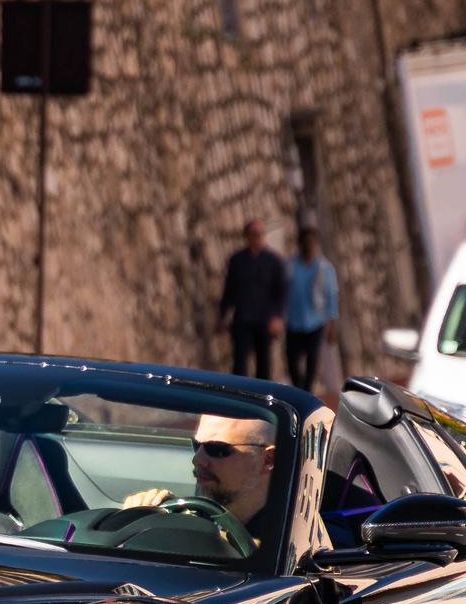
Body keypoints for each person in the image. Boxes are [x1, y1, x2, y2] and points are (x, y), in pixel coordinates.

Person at [119, 413, 280, 531]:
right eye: (197, 445)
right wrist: (135, 523)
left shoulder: (284, 540)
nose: (197, 459)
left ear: (267, 459)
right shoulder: (184, 516)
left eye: (216, 448)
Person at [212, 217, 287, 381]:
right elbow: (229, 291)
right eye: (252, 234)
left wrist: (277, 317)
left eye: (259, 234)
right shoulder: (237, 260)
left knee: (263, 364)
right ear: (246, 236)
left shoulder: (274, 262)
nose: (256, 237)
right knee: (239, 363)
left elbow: (281, 293)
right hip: (242, 319)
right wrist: (222, 316)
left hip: (264, 320)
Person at [284, 225, 338, 393]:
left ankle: (306, 393)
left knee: (312, 363)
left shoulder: (324, 268)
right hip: (293, 322)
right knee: (292, 362)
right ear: (299, 244)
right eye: (305, 242)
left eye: (312, 242)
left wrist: (332, 325)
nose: (308, 246)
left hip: (315, 322)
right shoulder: (290, 266)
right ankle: (299, 389)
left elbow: (331, 296)